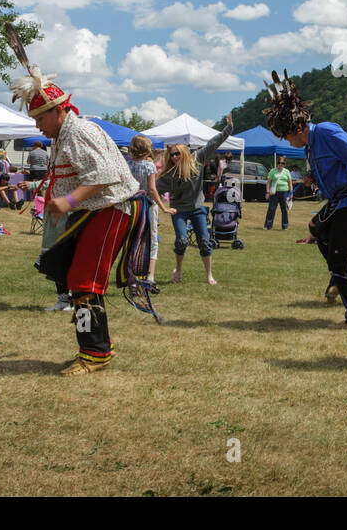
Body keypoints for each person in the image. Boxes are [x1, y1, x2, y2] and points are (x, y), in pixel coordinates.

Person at [14, 64, 145, 375]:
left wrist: (68, 201)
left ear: (58, 110)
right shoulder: (65, 133)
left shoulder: (80, 132)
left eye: (40, 119)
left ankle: (94, 353)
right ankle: (95, 347)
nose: (38, 127)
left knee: (84, 281)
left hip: (113, 208)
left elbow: (106, 176)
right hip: (96, 211)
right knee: (76, 279)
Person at [262, 71, 347, 326]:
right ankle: (341, 270)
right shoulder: (310, 147)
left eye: (289, 136)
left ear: (299, 128)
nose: (289, 142)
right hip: (337, 202)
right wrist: (312, 177)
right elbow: (329, 166)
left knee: (336, 258)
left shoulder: (325, 132)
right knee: (315, 228)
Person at [156, 117, 234, 286]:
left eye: (177, 153)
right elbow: (153, 190)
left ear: (184, 152)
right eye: (172, 154)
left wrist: (228, 129)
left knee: (205, 243)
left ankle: (209, 275)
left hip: (198, 208)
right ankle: (178, 269)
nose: (175, 156)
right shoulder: (169, 174)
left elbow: (213, 143)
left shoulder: (197, 160)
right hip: (179, 211)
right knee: (182, 241)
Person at [126, 135, 173, 291]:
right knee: (152, 239)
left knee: (133, 240)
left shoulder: (127, 164)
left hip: (132, 205)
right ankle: (150, 277)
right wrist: (164, 207)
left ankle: (132, 279)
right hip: (148, 205)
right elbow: (152, 190)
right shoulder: (149, 166)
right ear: (147, 150)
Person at [265, 155, 293, 230]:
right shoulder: (272, 171)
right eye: (279, 162)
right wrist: (267, 192)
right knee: (271, 209)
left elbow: (290, 183)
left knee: (284, 210)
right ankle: (268, 226)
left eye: (282, 163)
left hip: (284, 192)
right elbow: (268, 182)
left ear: (284, 164)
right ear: (277, 163)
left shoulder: (287, 171)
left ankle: (285, 226)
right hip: (274, 193)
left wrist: (291, 193)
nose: (281, 164)